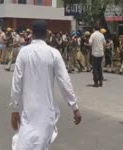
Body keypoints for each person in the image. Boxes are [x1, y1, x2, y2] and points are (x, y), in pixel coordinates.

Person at [10, 20, 81, 150]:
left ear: (32, 34)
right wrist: (74, 107)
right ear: (46, 35)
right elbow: (65, 82)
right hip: (46, 114)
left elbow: (16, 82)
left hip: (28, 112)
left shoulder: (24, 53)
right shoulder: (54, 53)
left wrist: (14, 109)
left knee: (25, 144)